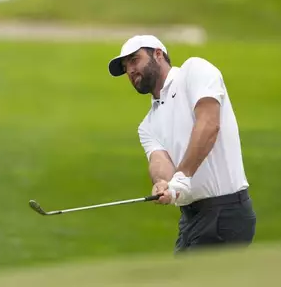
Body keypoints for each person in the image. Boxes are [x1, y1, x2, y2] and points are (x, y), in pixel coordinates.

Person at [107, 35, 256, 254]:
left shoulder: (194, 71)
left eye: (134, 60)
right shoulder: (148, 124)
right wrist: (162, 184)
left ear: (158, 54)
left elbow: (209, 123)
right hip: (191, 219)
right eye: (125, 66)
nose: (130, 70)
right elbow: (159, 160)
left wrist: (182, 176)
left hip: (225, 212)